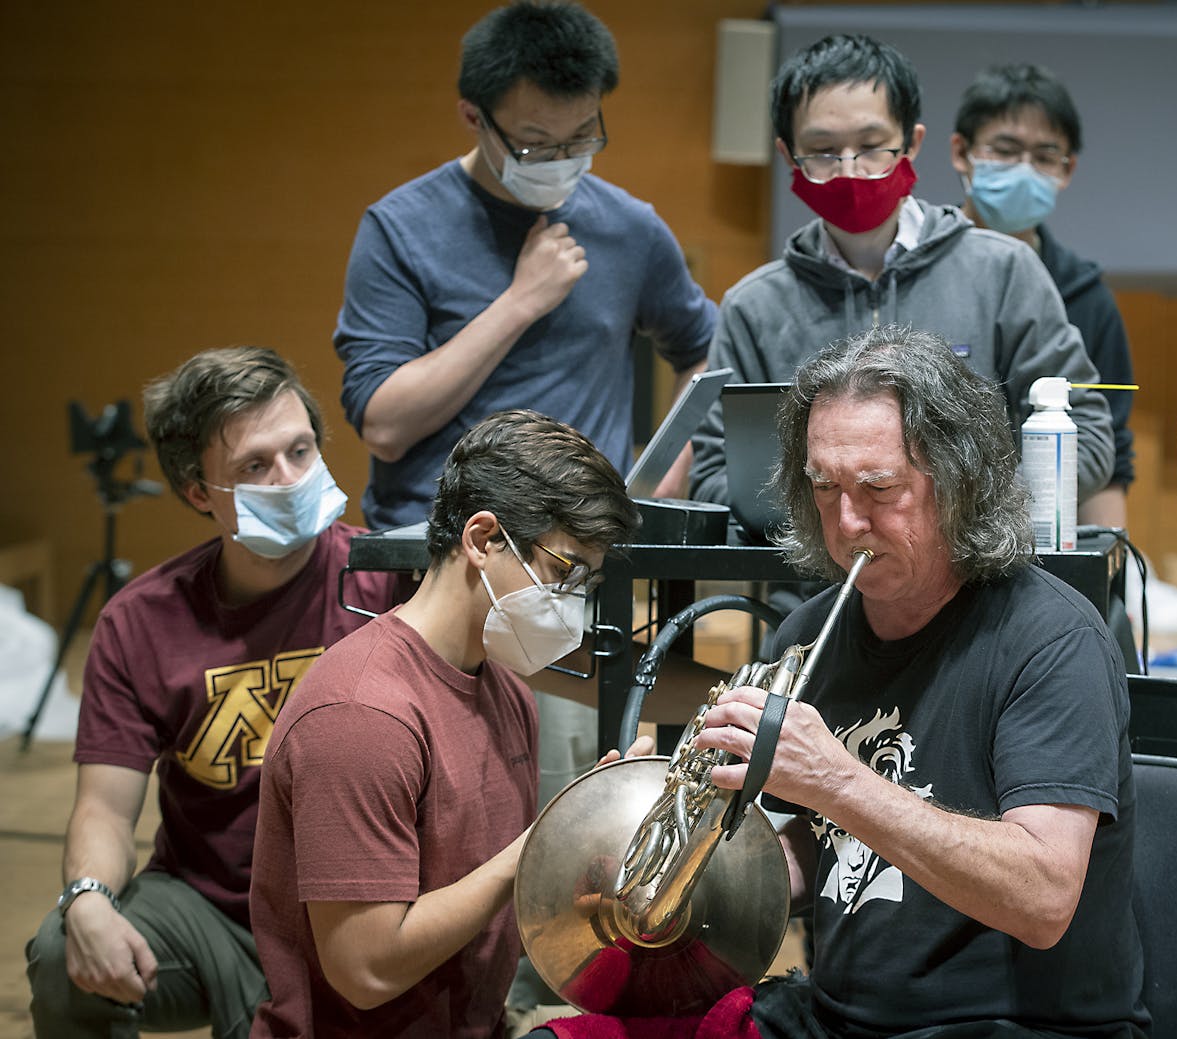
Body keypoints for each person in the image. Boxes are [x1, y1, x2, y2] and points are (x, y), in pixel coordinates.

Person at [699, 325, 1148, 1037]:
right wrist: (694, 863)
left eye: (879, 488)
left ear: (961, 482)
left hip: (1013, 1025)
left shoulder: (1053, 640)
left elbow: (1042, 895)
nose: (847, 522)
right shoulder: (808, 636)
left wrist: (838, 780)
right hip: (841, 1015)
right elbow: (824, 847)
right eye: (824, 487)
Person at [25, 347, 396, 1039]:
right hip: (207, 908)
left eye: (300, 450)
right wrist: (87, 902)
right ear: (199, 491)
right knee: (60, 952)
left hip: (354, 910)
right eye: (255, 466)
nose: (288, 478)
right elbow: (104, 809)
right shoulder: (140, 622)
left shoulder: (389, 583)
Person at [248, 409, 646, 1039]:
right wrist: (536, 847)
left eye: (586, 582)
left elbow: (485, 903)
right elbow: (366, 972)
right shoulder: (362, 717)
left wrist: (594, 826)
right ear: (483, 539)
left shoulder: (506, 688)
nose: (574, 602)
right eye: (564, 572)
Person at [688, 34, 1114, 519]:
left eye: (871, 146)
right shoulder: (754, 306)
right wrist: (839, 515)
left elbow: (1088, 436)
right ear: (789, 156)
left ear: (911, 142)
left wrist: (956, 515)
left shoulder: (1004, 272)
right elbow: (715, 475)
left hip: (982, 583)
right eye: (823, 151)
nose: (850, 171)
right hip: (811, 590)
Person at [334, 0, 713, 533]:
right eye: (536, 145)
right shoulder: (401, 228)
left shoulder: (630, 227)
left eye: (581, 136)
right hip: (433, 549)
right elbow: (384, 426)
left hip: (585, 551)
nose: (562, 161)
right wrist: (520, 303)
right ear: (475, 118)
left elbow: (702, 351)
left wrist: (669, 468)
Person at [950, 62, 1134, 527]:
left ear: (1066, 169)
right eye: (1006, 151)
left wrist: (1112, 591)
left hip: (1043, 542)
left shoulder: (1088, 298)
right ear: (962, 152)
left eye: (1044, 156)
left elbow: (1107, 449)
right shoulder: (921, 269)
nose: (1023, 170)